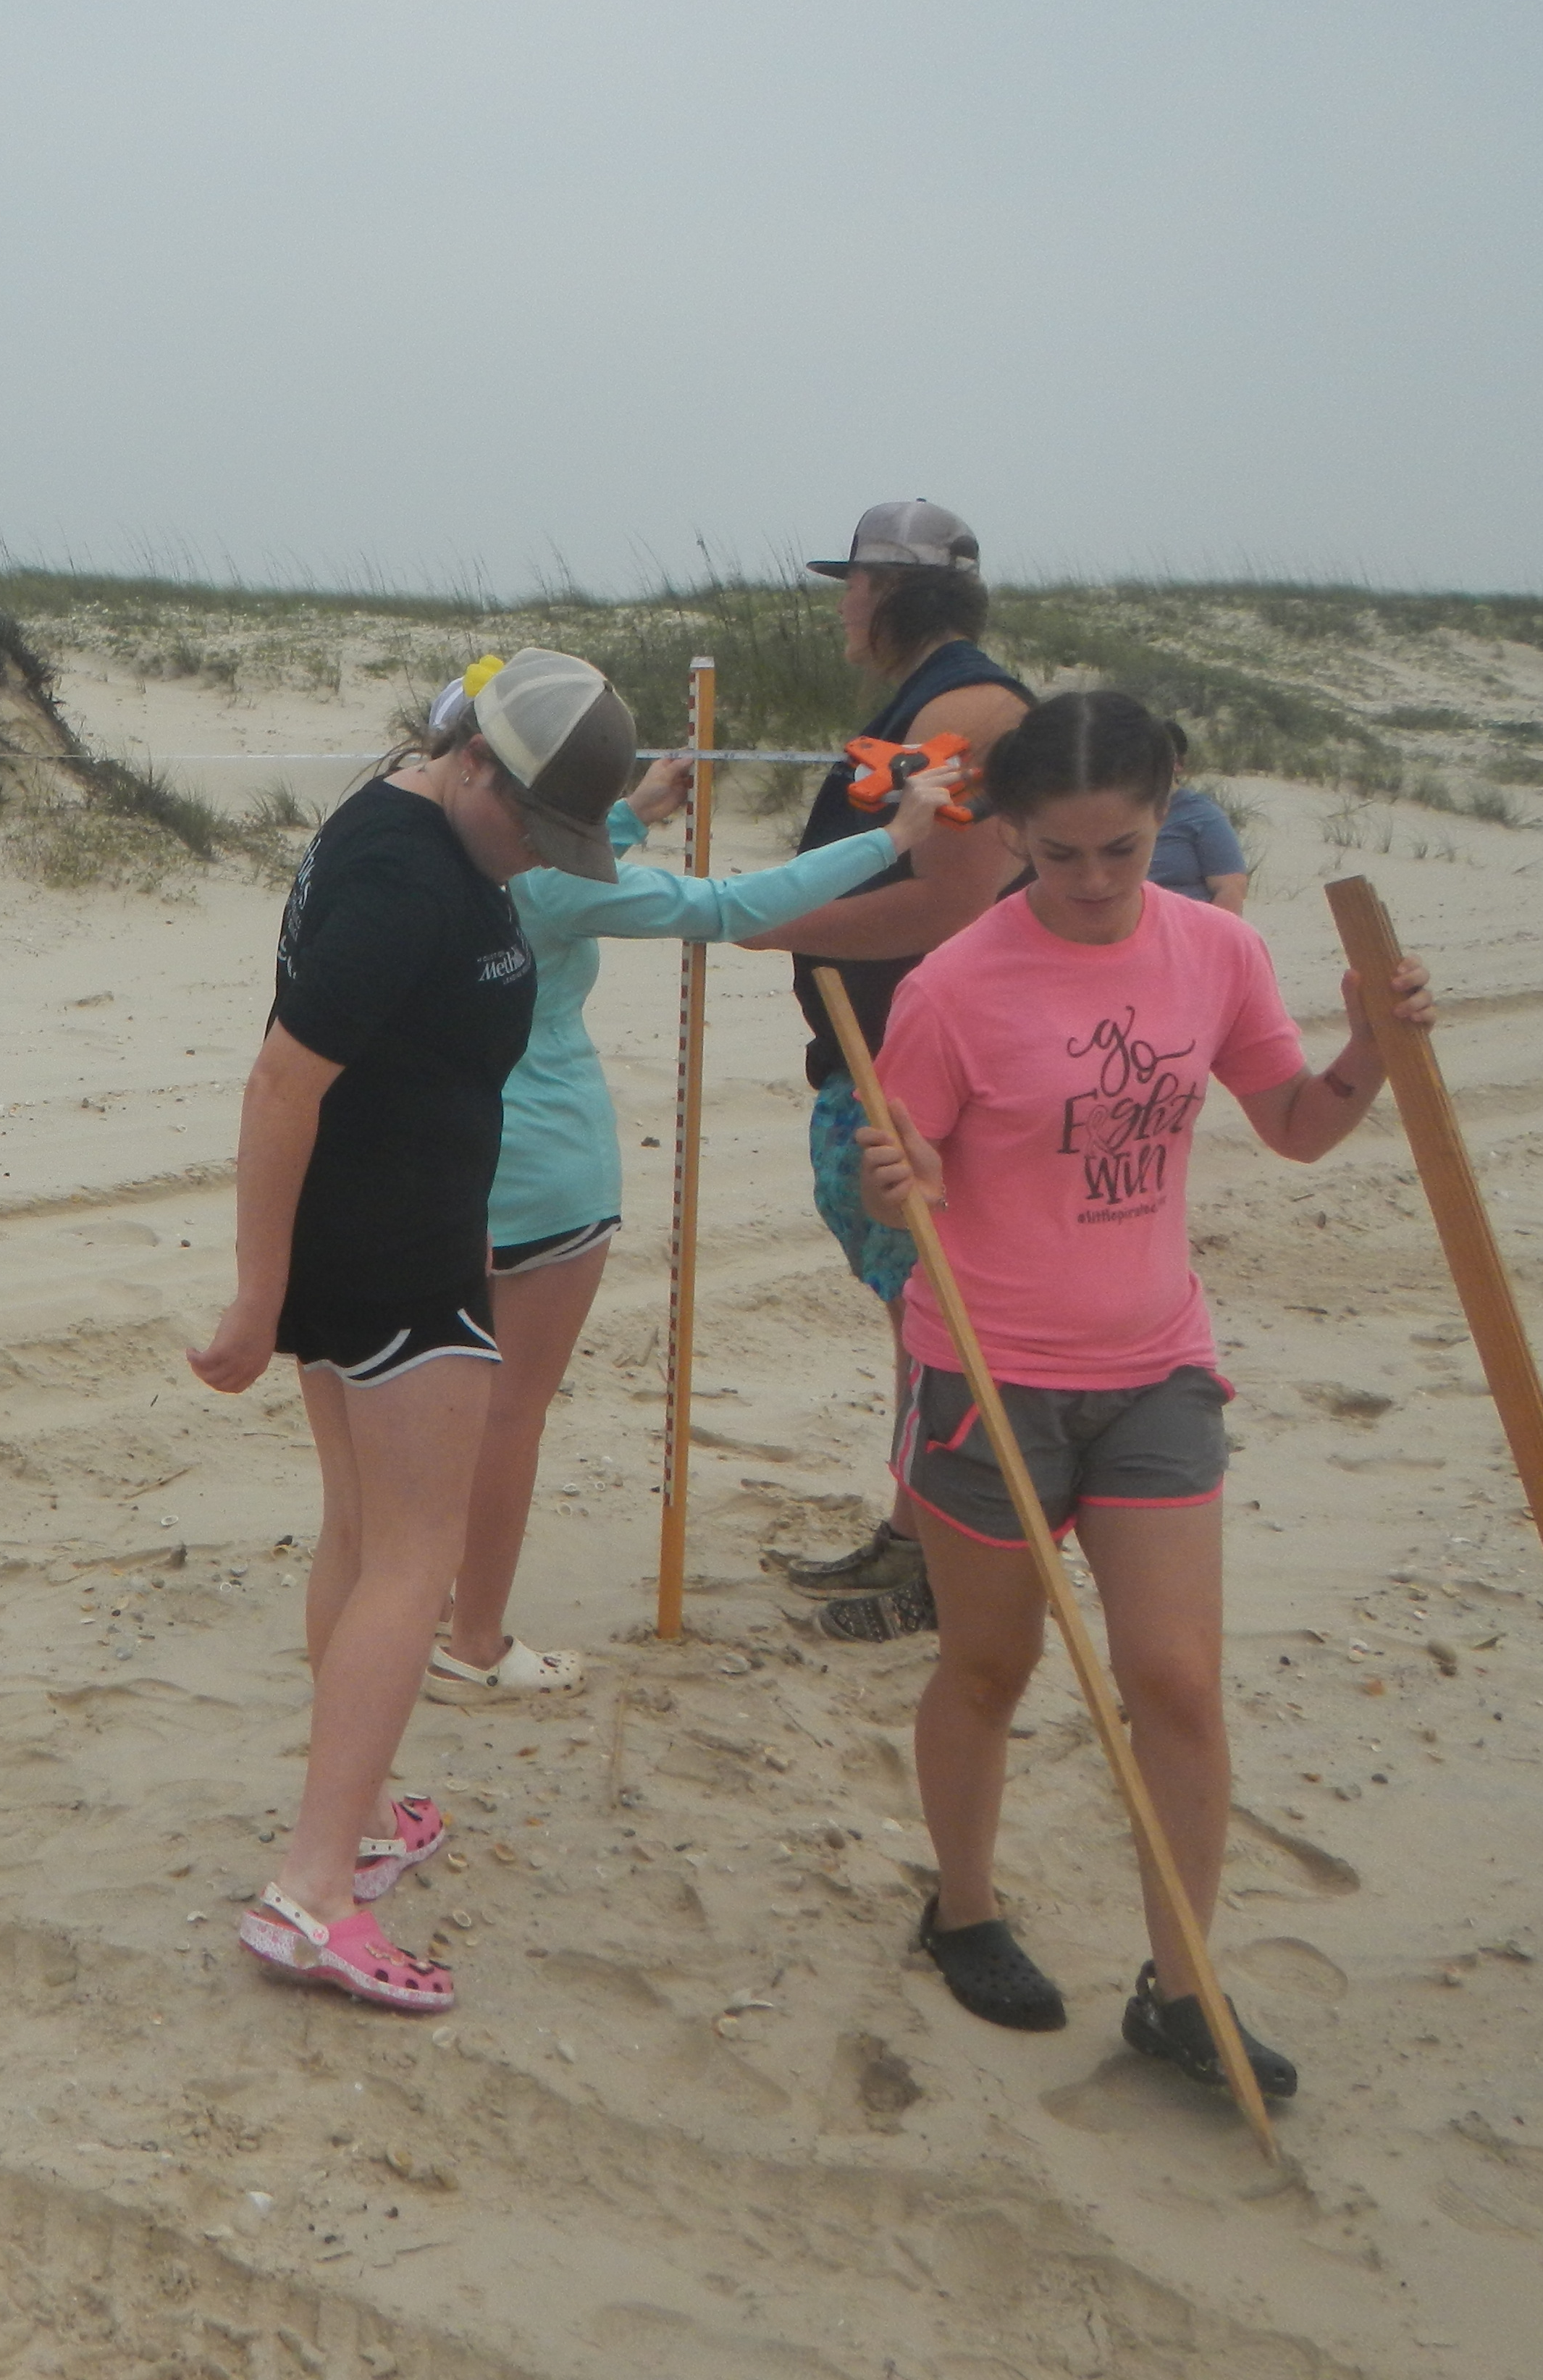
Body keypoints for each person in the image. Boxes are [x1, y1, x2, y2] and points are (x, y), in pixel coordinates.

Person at [853, 691, 1431, 2098]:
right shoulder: (954, 986)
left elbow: (1295, 1129)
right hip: (986, 1374)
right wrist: (901, 1181)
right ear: (1013, 837)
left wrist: (1371, 1054)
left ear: (1168, 810)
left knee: (1175, 1680)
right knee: (990, 1669)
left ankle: (1182, 1990)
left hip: (1157, 1365)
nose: (1098, 882)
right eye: (1063, 856)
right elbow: (909, 1177)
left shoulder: (1218, 951)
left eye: (1124, 848)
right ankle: (965, 1908)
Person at [188, 649, 634, 2013]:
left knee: (362, 1532)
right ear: (475, 766)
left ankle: (363, 1818)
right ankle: (315, 1890)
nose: (531, 860)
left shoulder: (407, 810)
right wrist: (257, 1299)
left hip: (380, 1225)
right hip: (387, 1248)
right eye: (528, 826)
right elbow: (279, 1078)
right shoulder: (399, 877)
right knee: (416, 1561)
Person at [430, 688, 963, 1702]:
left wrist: (635, 810)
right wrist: (893, 836)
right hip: (547, 1173)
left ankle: (414, 1605)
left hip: (446, 1165)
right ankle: (478, 1636)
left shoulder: (437, 846)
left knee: (437, 1404)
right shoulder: (548, 885)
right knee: (509, 1418)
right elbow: (728, 909)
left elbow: (566, 872)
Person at [737, 502, 1036, 1640]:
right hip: (879, 1045)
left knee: (944, 1311)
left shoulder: (964, 707)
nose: (842, 606)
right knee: (919, 1312)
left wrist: (764, 922)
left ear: (894, 591)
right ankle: (912, 1535)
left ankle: (944, 1573)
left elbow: (954, 898)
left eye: (852, 585)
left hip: (926, 1054)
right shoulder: (930, 700)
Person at [1148, 722, 1250, 909]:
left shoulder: (1201, 815)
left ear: (1178, 764)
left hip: (1186, 926)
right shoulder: (1112, 814)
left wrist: (1209, 937)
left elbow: (1231, 888)